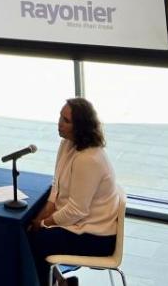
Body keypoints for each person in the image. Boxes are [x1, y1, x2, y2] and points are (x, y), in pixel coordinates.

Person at [29, 98, 121, 286]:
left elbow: (77, 211)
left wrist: (45, 222)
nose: (59, 123)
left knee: (34, 241)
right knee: (28, 228)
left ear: (81, 127)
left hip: (96, 236)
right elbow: (56, 185)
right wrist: (45, 211)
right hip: (78, 224)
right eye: (60, 117)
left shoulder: (89, 160)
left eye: (66, 121)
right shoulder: (67, 144)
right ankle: (60, 282)